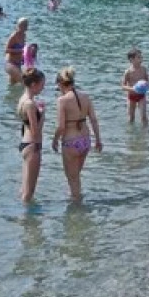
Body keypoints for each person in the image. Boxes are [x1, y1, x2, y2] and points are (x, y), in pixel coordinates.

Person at [51, 67, 102, 203]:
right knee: (76, 176)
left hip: (71, 142)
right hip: (85, 140)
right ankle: (76, 199)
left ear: (61, 84)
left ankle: (76, 207)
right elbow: (94, 120)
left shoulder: (62, 100)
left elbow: (61, 126)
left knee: (72, 178)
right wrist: (98, 139)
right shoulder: (85, 96)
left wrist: (55, 140)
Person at [16, 69, 46, 203]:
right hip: (33, 145)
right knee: (29, 192)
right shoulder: (29, 104)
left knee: (24, 189)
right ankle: (27, 215)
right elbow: (35, 131)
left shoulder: (23, 99)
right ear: (34, 84)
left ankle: (24, 212)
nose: (43, 88)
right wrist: (42, 114)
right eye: (42, 85)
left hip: (26, 143)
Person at [122, 48, 149, 125]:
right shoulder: (128, 72)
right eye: (138, 57)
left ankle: (145, 131)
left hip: (142, 96)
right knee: (131, 118)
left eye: (141, 57)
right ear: (131, 59)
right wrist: (134, 89)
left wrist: (147, 85)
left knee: (144, 117)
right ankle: (130, 132)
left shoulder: (144, 69)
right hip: (131, 97)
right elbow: (123, 86)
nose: (141, 59)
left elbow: (148, 81)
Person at [4, 18, 29, 85]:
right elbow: (6, 50)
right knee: (24, 83)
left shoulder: (24, 35)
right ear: (19, 26)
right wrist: (20, 50)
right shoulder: (14, 36)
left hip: (18, 64)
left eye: (27, 25)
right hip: (11, 64)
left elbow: (23, 49)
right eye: (25, 25)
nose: (26, 27)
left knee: (12, 85)